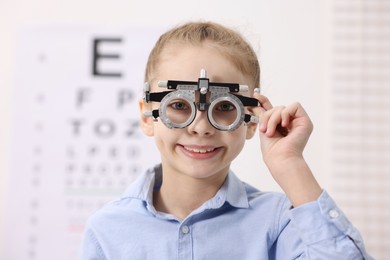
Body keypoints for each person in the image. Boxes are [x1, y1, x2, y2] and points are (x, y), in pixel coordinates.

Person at [78, 21, 372, 259]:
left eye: (225, 107)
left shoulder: (279, 221)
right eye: (180, 106)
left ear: (251, 120)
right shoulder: (108, 230)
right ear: (147, 116)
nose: (201, 127)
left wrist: (290, 165)